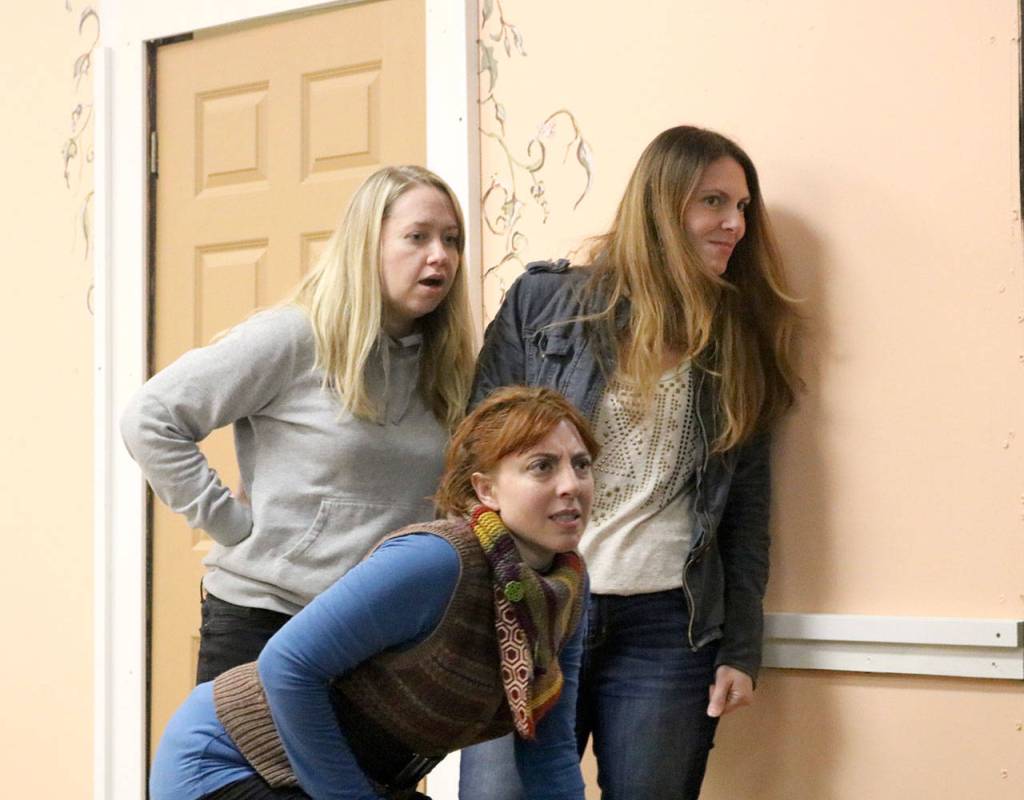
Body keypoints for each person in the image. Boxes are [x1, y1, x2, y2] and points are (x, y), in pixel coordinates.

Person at [460, 126, 801, 799]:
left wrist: (740, 648)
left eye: (741, 206)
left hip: (667, 629)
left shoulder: (735, 342)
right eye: (713, 202)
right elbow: (474, 465)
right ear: (661, 205)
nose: (734, 223)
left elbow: (745, 514)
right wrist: (474, 606)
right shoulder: (546, 305)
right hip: (537, 607)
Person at [148, 386, 598, 800]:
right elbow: (287, 666)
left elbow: (549, 746)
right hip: (226, 764)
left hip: (348, 778)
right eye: (542, 466)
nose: (570, 486)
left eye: (581, 465)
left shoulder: (565, 590)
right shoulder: (439, 561)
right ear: (487, 489)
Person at [121, 165, 476, 683]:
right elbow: (150, 416)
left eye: (452, 239)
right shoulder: (294, 337)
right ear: (365, 245)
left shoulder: (447, 366)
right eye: (416, 237)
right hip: (266, 625)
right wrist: (229, 523)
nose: (439, 255)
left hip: (379, 639)